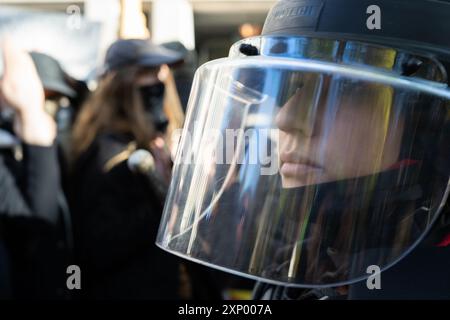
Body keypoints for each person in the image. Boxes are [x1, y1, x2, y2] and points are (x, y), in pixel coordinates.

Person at [156, 0, 450, 299]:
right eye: (294, 85)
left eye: (346, 87)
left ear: (428, 125)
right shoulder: (303, 261)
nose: (285, 118)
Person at [70, 38, 185, 299]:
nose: (157, 81)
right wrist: (162, 194)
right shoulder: (108, 153)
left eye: (160, 71)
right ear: (122, 85)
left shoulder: (149, 144)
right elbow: (98, 246)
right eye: (146, 73)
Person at [0, 40, 69, 299]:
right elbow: (38, 231)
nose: (48, 110)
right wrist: (31, 120)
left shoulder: (56, 147)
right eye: (43, 97)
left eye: (55, 100)